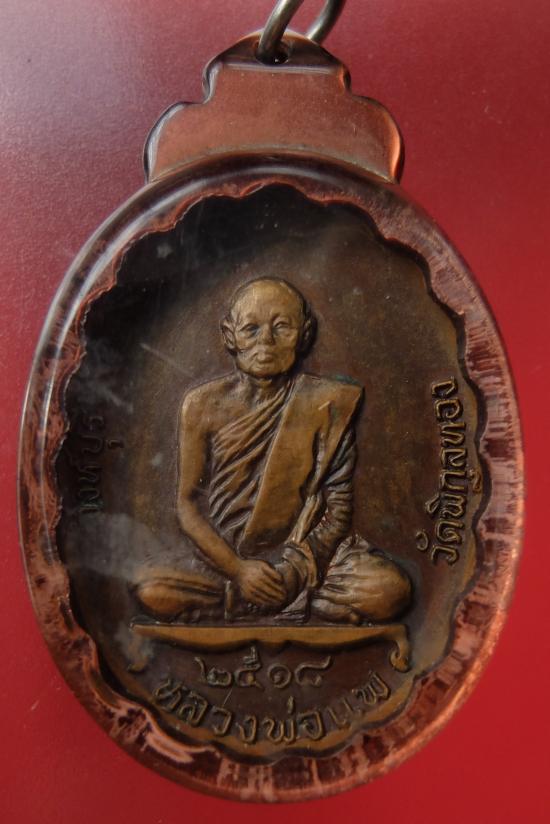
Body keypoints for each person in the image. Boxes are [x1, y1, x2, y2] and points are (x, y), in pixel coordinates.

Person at [136, 278, 411, 624]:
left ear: (305, 335)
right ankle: (285, 601)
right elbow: (187, 505)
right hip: (223, 559)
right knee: (151, 588)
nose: (265, 341)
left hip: (305, 560)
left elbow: (337, 508)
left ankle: (251, 601)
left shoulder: (329, 404)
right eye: (250, 329)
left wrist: (293, 570)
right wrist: (238, 570)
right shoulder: (201, 405)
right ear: (229, 336)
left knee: (389, 590)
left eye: (282, 327)